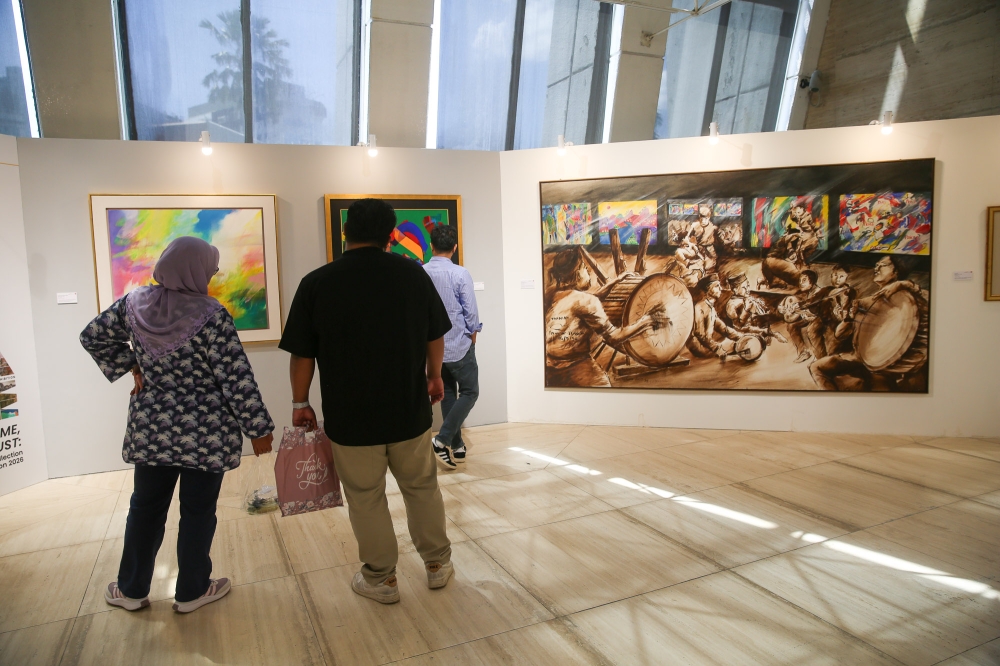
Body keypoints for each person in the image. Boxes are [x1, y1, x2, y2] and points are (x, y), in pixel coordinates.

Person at [80, 236, 275, 614]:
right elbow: (235, 377)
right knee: (198, 511)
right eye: (211, 267)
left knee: (145, 508)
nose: (215, 272)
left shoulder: (132, 305)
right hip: (205, 433)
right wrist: (258, 429)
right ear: (194, 268)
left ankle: (131, 589)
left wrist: (132, 364)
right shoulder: (211, 315)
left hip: (152, 431)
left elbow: (92, 336)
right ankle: (192, 591)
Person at [279, 198, 454, 605]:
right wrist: (433, 378)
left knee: (365, 496)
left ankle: (381, 580)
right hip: (409, 409)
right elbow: (435, 335)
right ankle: (437, 565)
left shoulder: (317, 282)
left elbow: (302, 354)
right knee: (422, 487)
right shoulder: (412, 276)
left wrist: (299, 402)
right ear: (390, 234)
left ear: (345, 233)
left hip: (350, 417)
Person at [544, 248, 664, 387]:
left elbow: (582, 305)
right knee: (603, 387)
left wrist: (614, 282)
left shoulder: (554, 295)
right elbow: (614, 336)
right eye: (585, 268)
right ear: (577, 274)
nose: (588, 272)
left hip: (549, 367)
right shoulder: (586, 301)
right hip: (575, 366)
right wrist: (646, 320)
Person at [810, 256, 929, 391]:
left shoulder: (910, 296)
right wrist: (847, 318)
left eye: (882, 265)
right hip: (865, 358)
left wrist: (905, 284)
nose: (876, 268)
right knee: (817, 367)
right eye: (876, 264)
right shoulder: (868, 301)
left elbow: (932, 301)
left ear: (896, 272)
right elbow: (840, 334)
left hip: (893, 364)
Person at [422, 224, 482, 469]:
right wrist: (473, 332)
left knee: (446, 394)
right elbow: (470, 309)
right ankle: (442, 440)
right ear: (454, 247)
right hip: (458, 343)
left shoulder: (421, 272)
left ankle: (457, 447)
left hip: (432, 348)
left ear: (431, 245)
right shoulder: (460, 273)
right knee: (470, 392)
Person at [687, 273, 741, 359]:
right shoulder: (699, 307)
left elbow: (723, 329)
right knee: (735, 347)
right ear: (708, 289)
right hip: (699, 348)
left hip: (709, 345)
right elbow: (700, 334)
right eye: (717, 286)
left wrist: (739, 337)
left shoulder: (710, 308)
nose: (721, 288)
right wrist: (716, 348)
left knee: (738, 344)